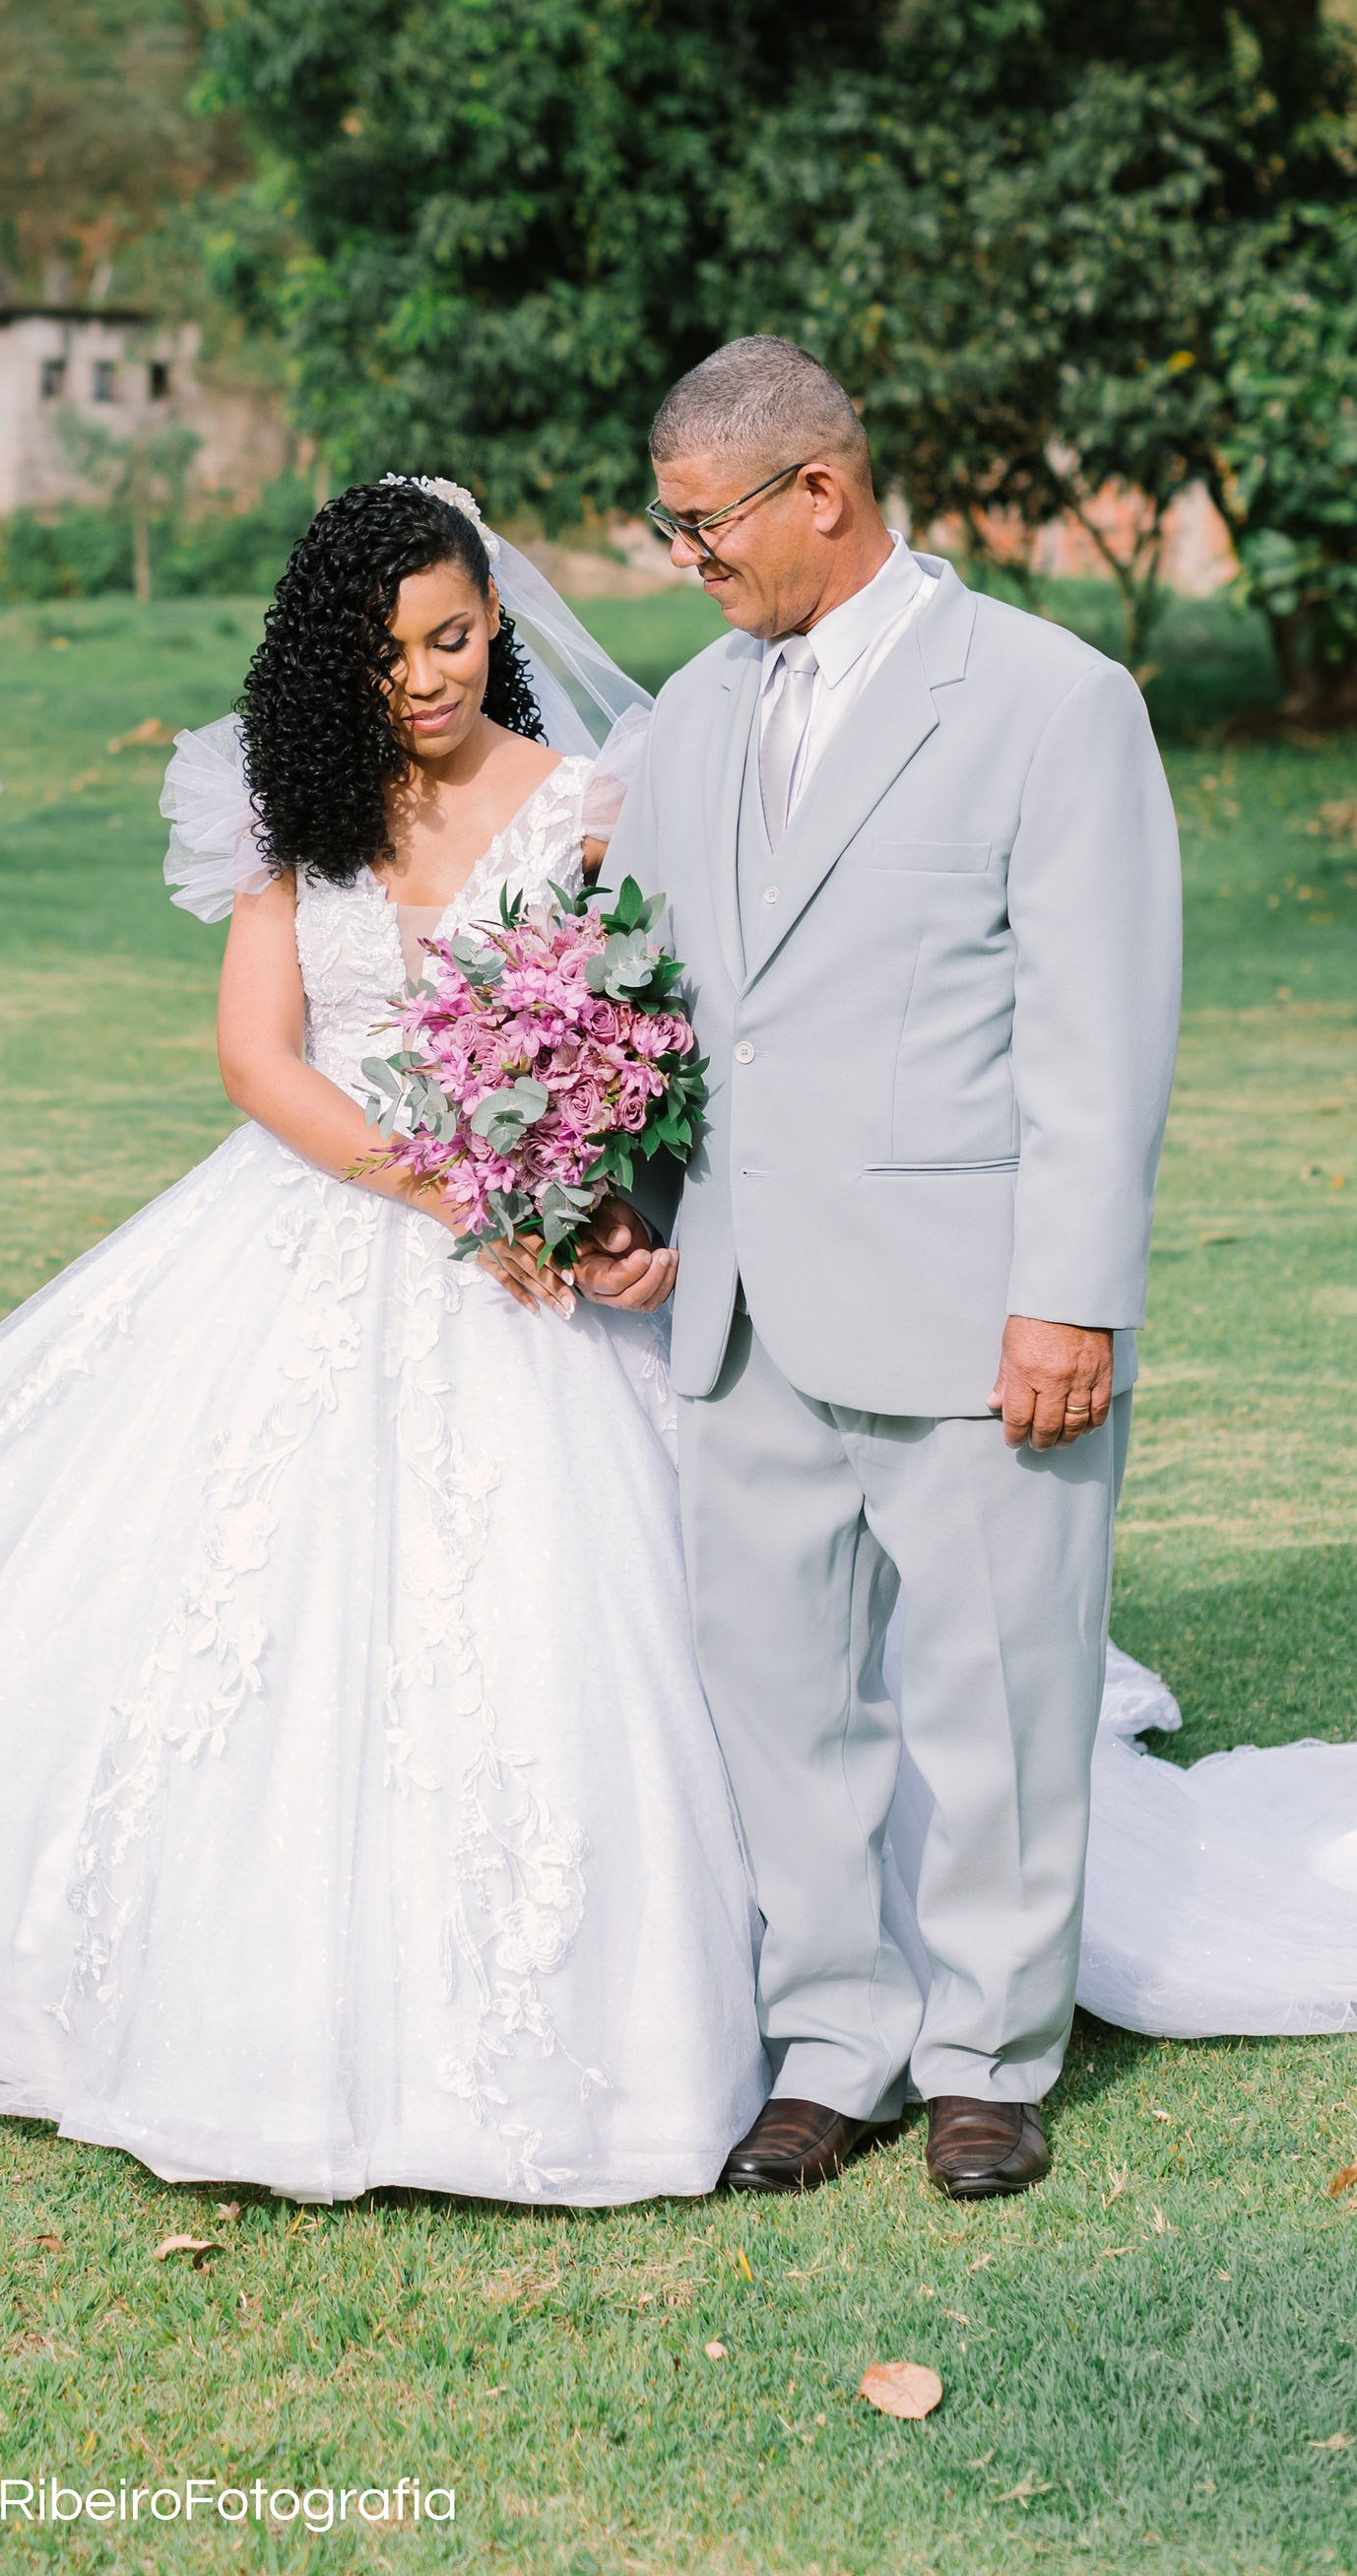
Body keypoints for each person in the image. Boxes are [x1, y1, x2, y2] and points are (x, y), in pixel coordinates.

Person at [0, 480, 768, 2206]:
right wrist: (443, 1190)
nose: (426, 680)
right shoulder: (303, 819)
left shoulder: (585, 810)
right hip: (336, 1220)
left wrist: (573, 1191)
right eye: (387, 652)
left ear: (499, 625)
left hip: (528, 1270)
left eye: (456, 637)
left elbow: (643, 1041)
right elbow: (259, 1056)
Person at [605, 336, 1183, 2203]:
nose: (682, 559)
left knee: (997, 1687)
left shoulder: (1044, 698)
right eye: (670, 526)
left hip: (969, 1297)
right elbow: (682, 1007)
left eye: (703, 527)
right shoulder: (691, 711)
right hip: (742, 1301)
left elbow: (1102, 1029)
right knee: (775, 1691)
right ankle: (833, 2037)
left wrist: (1068, 1297)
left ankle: (988, 2053)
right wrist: (634, 1204)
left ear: (819, 495)